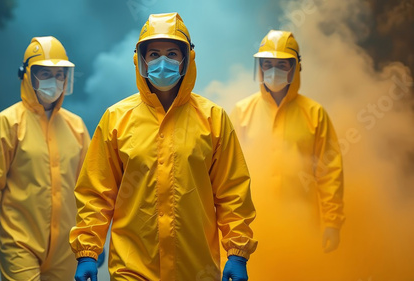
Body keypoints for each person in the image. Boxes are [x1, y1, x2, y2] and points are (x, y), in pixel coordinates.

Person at [69, 13, 257, 281]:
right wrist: (87, 250)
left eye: (172, 53)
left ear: (186, 59)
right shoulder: (116, 118)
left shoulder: (213, 118)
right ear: (141, 61)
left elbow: (232, 190)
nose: (163, 61)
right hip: (132, 267)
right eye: (154, 54)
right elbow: (96, 192)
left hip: (196, 268)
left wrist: (237, 252)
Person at [0, 36, 95, 280]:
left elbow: (89, 189)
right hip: (20, 241)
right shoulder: (8, 122)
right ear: (27, 75)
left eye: (60, 74)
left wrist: (90, 242)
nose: (55, 81)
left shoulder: (76, 127)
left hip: (66, 249)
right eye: (45, 73)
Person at [229, 30, 345, 279]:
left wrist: (332, 222)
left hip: (302, 223)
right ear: (259, 67)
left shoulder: (314, 114)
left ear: (295, 68)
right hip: (254, 226)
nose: (274, 71)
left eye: (282, 65)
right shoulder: (242, 112)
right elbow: (226, 175)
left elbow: (329, 171)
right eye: (267, 64)